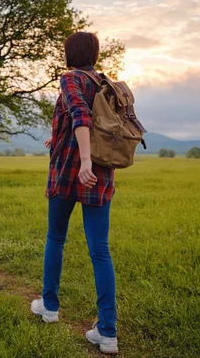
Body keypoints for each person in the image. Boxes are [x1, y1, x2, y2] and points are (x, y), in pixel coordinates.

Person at [31, 31, 118, 355]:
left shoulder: (70, 79)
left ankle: (49, 307)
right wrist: (58, 138)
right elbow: (90, 126)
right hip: (101, 173)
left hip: (72, 172)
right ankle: (107, 333)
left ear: (70, 53)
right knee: (100, 251)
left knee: (56, 239)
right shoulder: (104, 83)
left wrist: (83, 161)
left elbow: (81, 117)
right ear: (94, 54)